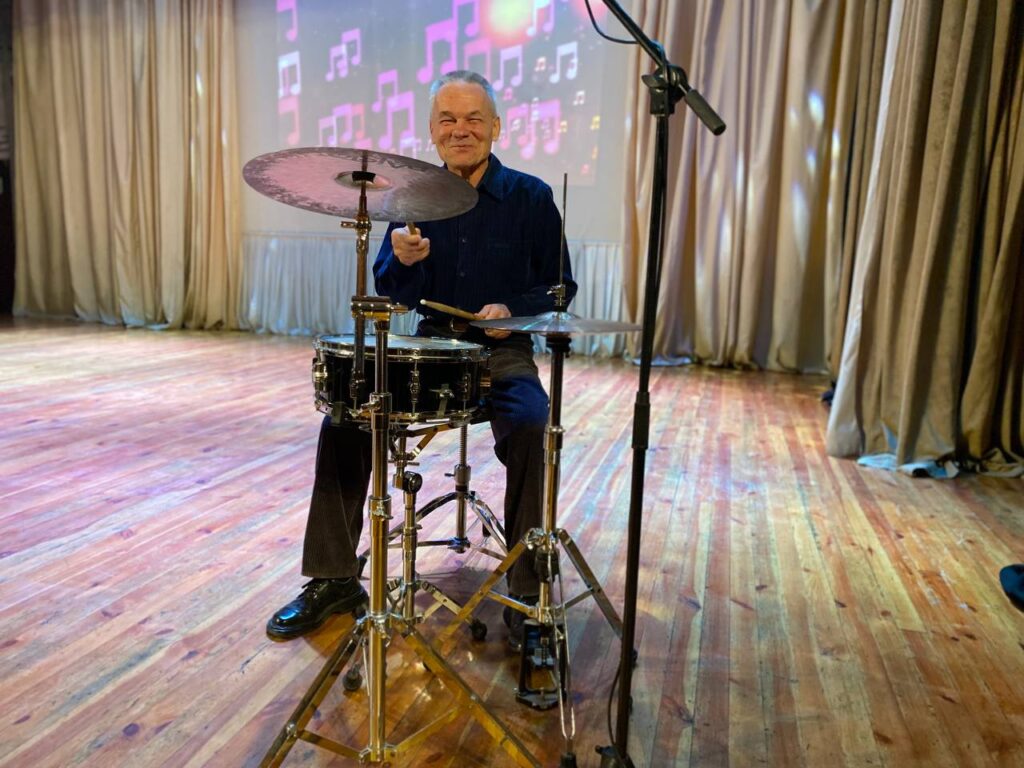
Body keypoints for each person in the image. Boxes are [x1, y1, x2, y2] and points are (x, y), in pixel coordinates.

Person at [266, 70, 576, 650]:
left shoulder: (531, 197)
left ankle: (527, 596)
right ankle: (333, 578)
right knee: (345, 418)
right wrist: (403, 261)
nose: (461, 130)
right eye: (448, 120)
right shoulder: (410, 197)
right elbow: (392, 292)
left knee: (533, 424)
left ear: (495, 127)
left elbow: (560, 287)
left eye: (473, 119)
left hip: (502, 350)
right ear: (432, 131)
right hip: (432, 347)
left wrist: (512, 309)